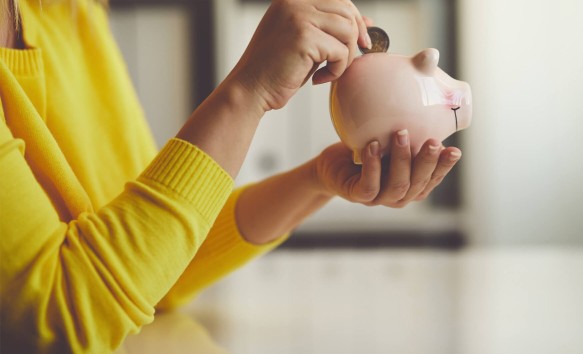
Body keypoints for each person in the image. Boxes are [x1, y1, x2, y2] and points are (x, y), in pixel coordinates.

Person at [0, 0, 462, 352]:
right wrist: (248, 92)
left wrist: (318, 178)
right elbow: (55, 318)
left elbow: (154, 265)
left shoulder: (68, 11)